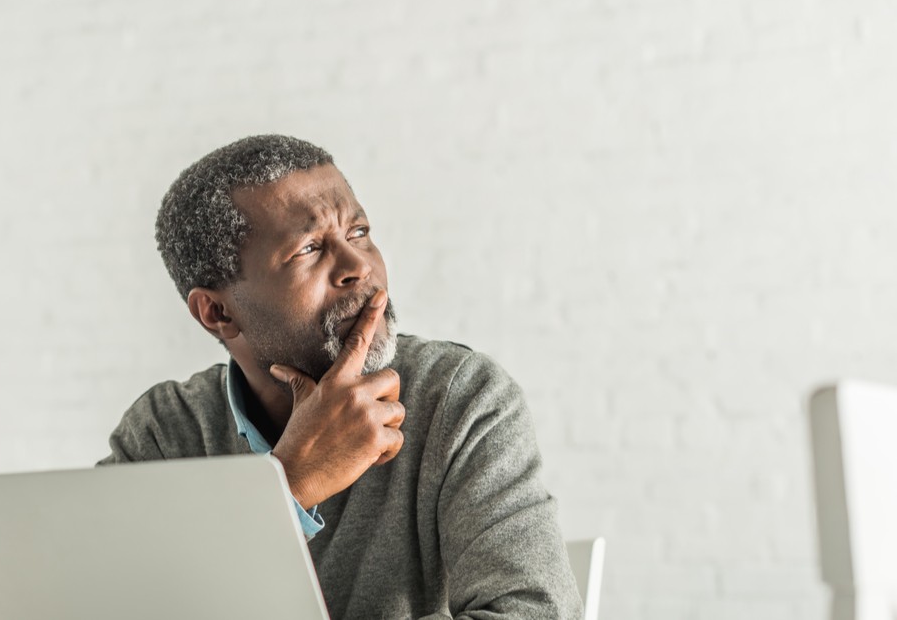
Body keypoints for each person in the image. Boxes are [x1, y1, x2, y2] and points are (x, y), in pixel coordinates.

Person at [98, 134, 582, 620]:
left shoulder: (461, 399)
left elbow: (535, 613)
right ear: (218, 312)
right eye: (308, 249)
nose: (359, 267)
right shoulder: (164, 435)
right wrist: (289, 487)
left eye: (358, 232)